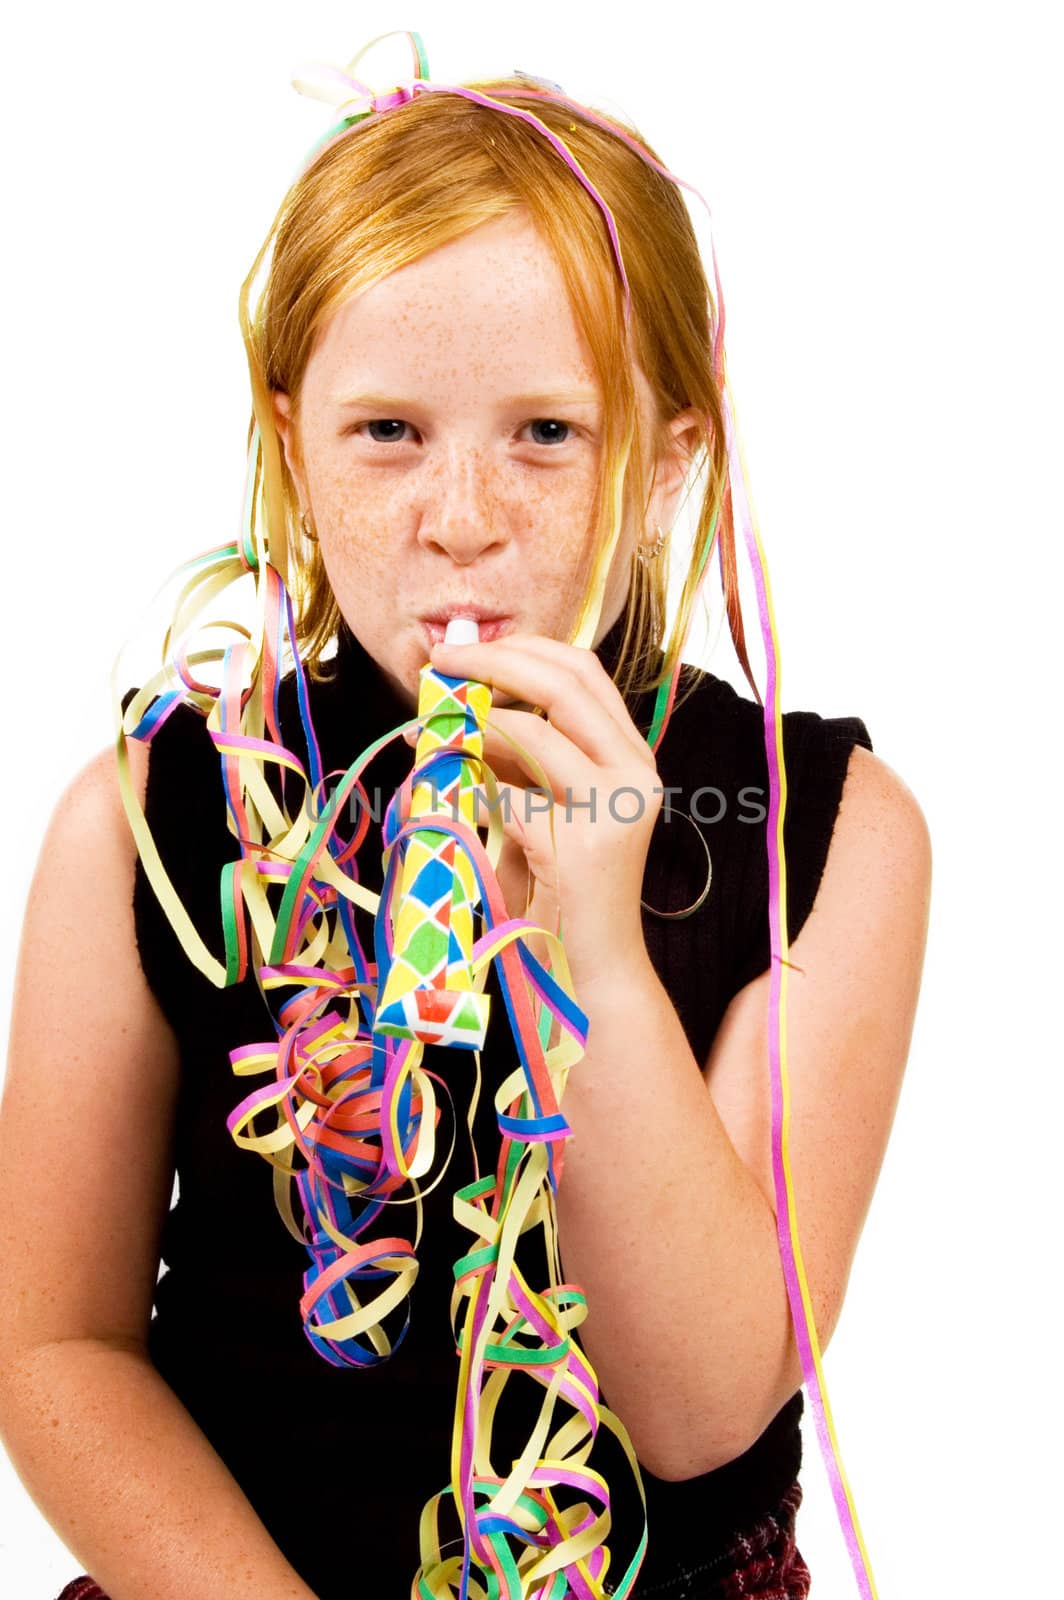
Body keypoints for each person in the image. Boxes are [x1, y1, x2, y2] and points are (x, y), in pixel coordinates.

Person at [0, 36, 931, 1600]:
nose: (462, 516)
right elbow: (55, 1344)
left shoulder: (824, 828)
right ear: (290, 440)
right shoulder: (147, 818)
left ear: (668, 458)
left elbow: (707, 1408)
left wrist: (596, 961)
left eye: (547, 433)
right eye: (388, 433)